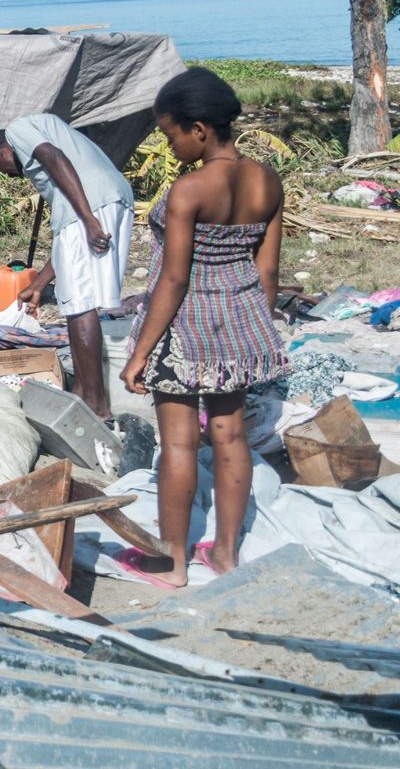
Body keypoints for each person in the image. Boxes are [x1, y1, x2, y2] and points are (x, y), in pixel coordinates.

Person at [118, 68, 287, 587]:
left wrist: (140, 352)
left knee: (179, 445)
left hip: (184, 326)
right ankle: (226, 554)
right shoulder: (266, 179)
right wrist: (254, 322)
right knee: (231, 435)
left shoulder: (190, 189)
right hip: (240, 323)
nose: (171, 147)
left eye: (171, 135)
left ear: (198, 128)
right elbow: (269, 270)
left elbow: (173, 278)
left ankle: (171, 562)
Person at [0, 114, 136, 422]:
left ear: (1, 151)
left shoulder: (18, 130)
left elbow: (53, 156)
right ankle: (83, 392)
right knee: (81, 299)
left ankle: (94, 404)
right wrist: (38, 283)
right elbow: (68, 243)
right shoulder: (62, 159)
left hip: (91, 206)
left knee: (80, 305)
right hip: (111, 199)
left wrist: (88, 219)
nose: (14, 177)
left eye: (5, 170)